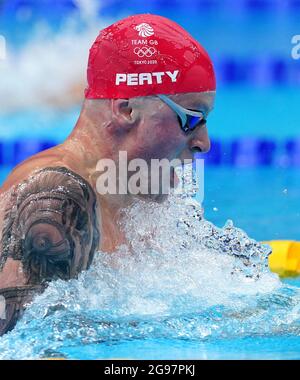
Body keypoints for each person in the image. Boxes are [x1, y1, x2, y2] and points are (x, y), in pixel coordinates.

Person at [0, 14, 215, 335]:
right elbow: (15, 343)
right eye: (192, 120)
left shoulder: (143, 188)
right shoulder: (53, 198)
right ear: (127, 109)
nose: (203, 143)